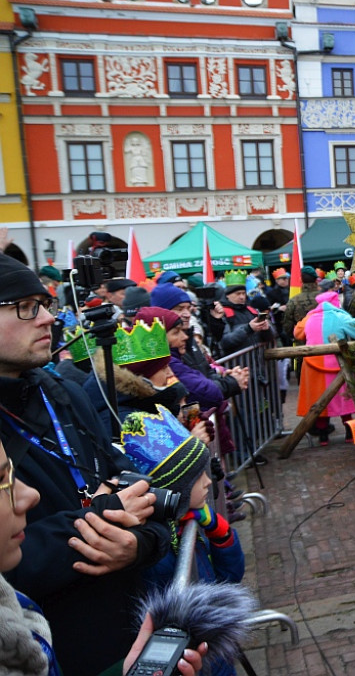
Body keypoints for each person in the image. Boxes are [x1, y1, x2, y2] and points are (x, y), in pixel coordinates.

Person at [0, 253, 171, 676]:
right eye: (25, 307)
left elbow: (130, 480)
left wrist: (140, 544)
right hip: (56, 652)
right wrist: (99, 517)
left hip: (129, 630)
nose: (46, 319)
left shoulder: (61, 392)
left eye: (45, 304)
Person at [0, 439, 207, 676]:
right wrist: (96, 521)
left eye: (12, 474)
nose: (30, 495)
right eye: (1, 480)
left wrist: (141, 541)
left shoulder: (68, 401)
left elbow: (139, 489)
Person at [122, 406, 244, 676]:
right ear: (172, 492)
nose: (208, 483)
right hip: (191, 661)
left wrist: (221, 534)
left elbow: (230, 578)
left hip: (214, 648)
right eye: (196, 479)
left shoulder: (188, 524)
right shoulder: (156, 553)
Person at [294, 289, 355, 445]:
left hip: (313, 366)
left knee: (319, 400)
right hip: (338, 366)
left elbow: (297, 333)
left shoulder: (309, 318)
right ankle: (349, 434)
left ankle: (323, 437)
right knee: (344, 399)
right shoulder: (340, 316)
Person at [219, 270, 273, 355]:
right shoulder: (222, 313)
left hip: (258, 361)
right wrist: (248, 328)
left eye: (243, 293)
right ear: (227, 295)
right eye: (238, 294)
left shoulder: (251, 310)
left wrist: (266, 330)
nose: (241, 297)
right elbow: (225, 341)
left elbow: (270, 337)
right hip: (237, 364)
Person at [281, 266, 320, 343]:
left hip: (302, 344)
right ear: (316, 280)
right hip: (325, 342)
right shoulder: (325, 297)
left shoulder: (293, 300)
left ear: (300, 280)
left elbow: (288, 326)